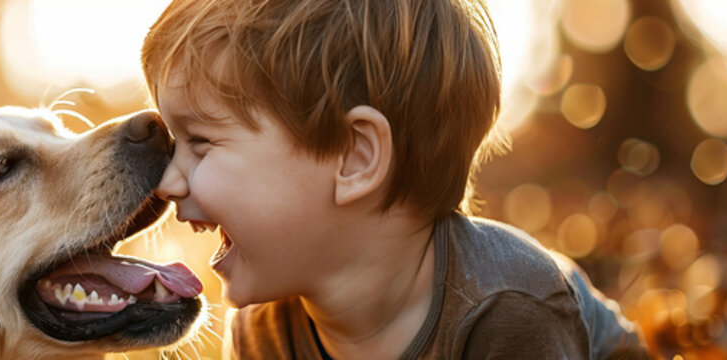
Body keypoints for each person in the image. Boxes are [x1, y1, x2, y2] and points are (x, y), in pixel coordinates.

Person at [139, 0, 650, 358]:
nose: (167, 183)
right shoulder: (265, 333)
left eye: (200, 144)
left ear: (354, 156)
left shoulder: (508, 311)